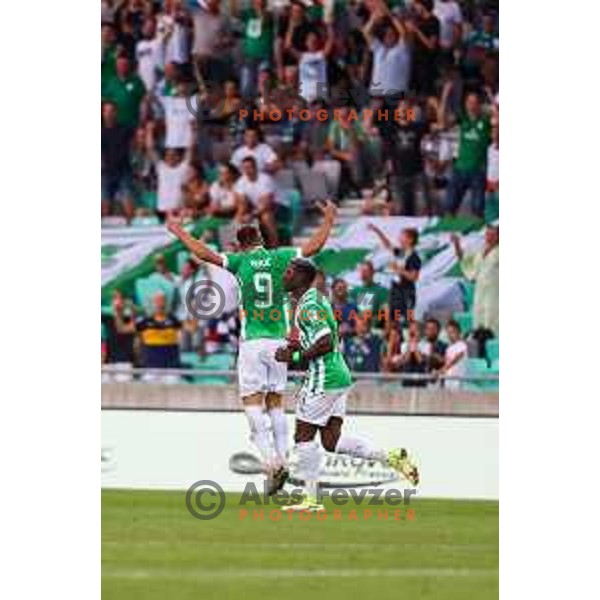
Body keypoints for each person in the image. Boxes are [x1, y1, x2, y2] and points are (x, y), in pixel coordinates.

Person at [166, 200, 338, 494]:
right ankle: (284, 459)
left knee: (251, 402)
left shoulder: (239, 261)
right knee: (275, 402)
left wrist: (179, 232)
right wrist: (330, 219)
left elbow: (204, 254)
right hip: (279, 341)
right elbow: (315, 247)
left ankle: (270, 461)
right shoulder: (282, 257)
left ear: (240, 245)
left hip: (253, 342)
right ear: (260, 240)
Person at [274, 258, 419, 511]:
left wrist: (295, 356)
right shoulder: (316, 300)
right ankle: (393, 457)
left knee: (303, 436)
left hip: (324, 377)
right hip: (339, 375)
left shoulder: (308, 305)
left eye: (288, 272)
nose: (284, 276)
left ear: (301, 278)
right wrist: (297, 346)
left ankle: (311, 499)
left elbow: (326, 341)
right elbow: (329, 335)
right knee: (331, 441)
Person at [439, 83, 492, 217]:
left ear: (480, 105)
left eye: (475, 102)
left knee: (477, 209)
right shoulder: (462, 119)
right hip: (460, 168)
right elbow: (442, 123)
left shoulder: (486, 121)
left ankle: (477, 237)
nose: (471, 105)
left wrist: (491, 97)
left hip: (478, 171)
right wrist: (445, 96)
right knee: (449, 207)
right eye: (469, 102)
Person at [451, 223, 499, 340]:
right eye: (487, 234)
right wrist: (456, 244)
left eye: (492, 234)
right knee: (479, 316)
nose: (489, 237)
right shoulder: (480, 251)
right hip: (480, 290)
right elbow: (465, 261)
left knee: (493, 317)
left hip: (496, 291)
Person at [368, 224, 422, 327]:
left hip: (406, 292)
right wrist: (377, 230)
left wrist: (398, 269)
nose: (399, 239)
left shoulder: (414, 257)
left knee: (405, 319)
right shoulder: (401, 253)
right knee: (392, 317)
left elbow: (414, 277)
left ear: (410, 240)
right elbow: (388, 245)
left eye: (402, 236)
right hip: (395, 289)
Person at [136, 291, 182, 378]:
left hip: (171, 368)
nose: (159, 304)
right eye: (157, 301)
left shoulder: (174, 320)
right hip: (151, 367)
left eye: (162, 300)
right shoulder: (144, 322)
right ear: (153, 303)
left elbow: (192, 329)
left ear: (166, 303)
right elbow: (125, 330)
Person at [101, 102, 135, 220]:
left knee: (128, 201)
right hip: (105, 172)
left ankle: (132, 228)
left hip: (124, 170)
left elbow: (135, 145)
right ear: (102, 113)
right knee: (104, 204)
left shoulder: (125, 129)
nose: (109, 114)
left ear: (116, 113)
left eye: (111, 111)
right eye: (106, 111)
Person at [350, 261, 388, 328]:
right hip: (358, 328)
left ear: (372, 272)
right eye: (362, 271)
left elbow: (386, 312)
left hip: (375, 328)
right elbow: (351, 311)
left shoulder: (381, 291)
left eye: (366, 271)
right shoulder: (355, 291)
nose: (363, 273)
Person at [437, 319, 468, 389]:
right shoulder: (449, 348)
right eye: (448, 333)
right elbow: (446, 361)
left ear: (459, 332)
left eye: (453, 332)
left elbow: (456, 359)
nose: (450, 335)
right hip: (448, 379)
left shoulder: (462, 345)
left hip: (458, 379)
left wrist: (443, 369)